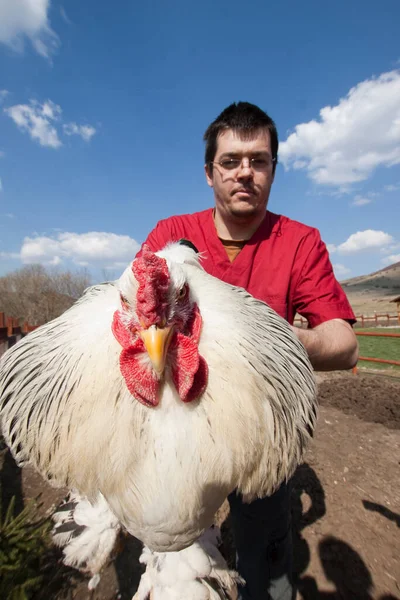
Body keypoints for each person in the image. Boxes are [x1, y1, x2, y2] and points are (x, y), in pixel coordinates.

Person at [141, 102, 358, 600]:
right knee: (175, 556)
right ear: (209, 173)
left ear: (274, 170)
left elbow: (345, 344)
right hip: (178, 434)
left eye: (259, 161)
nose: (245, 173)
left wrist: (280, 342)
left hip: (261, 434)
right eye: (231, 161)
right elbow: (136, 310)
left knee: (263, 558)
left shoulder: (301, 242)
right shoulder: (169, 236)